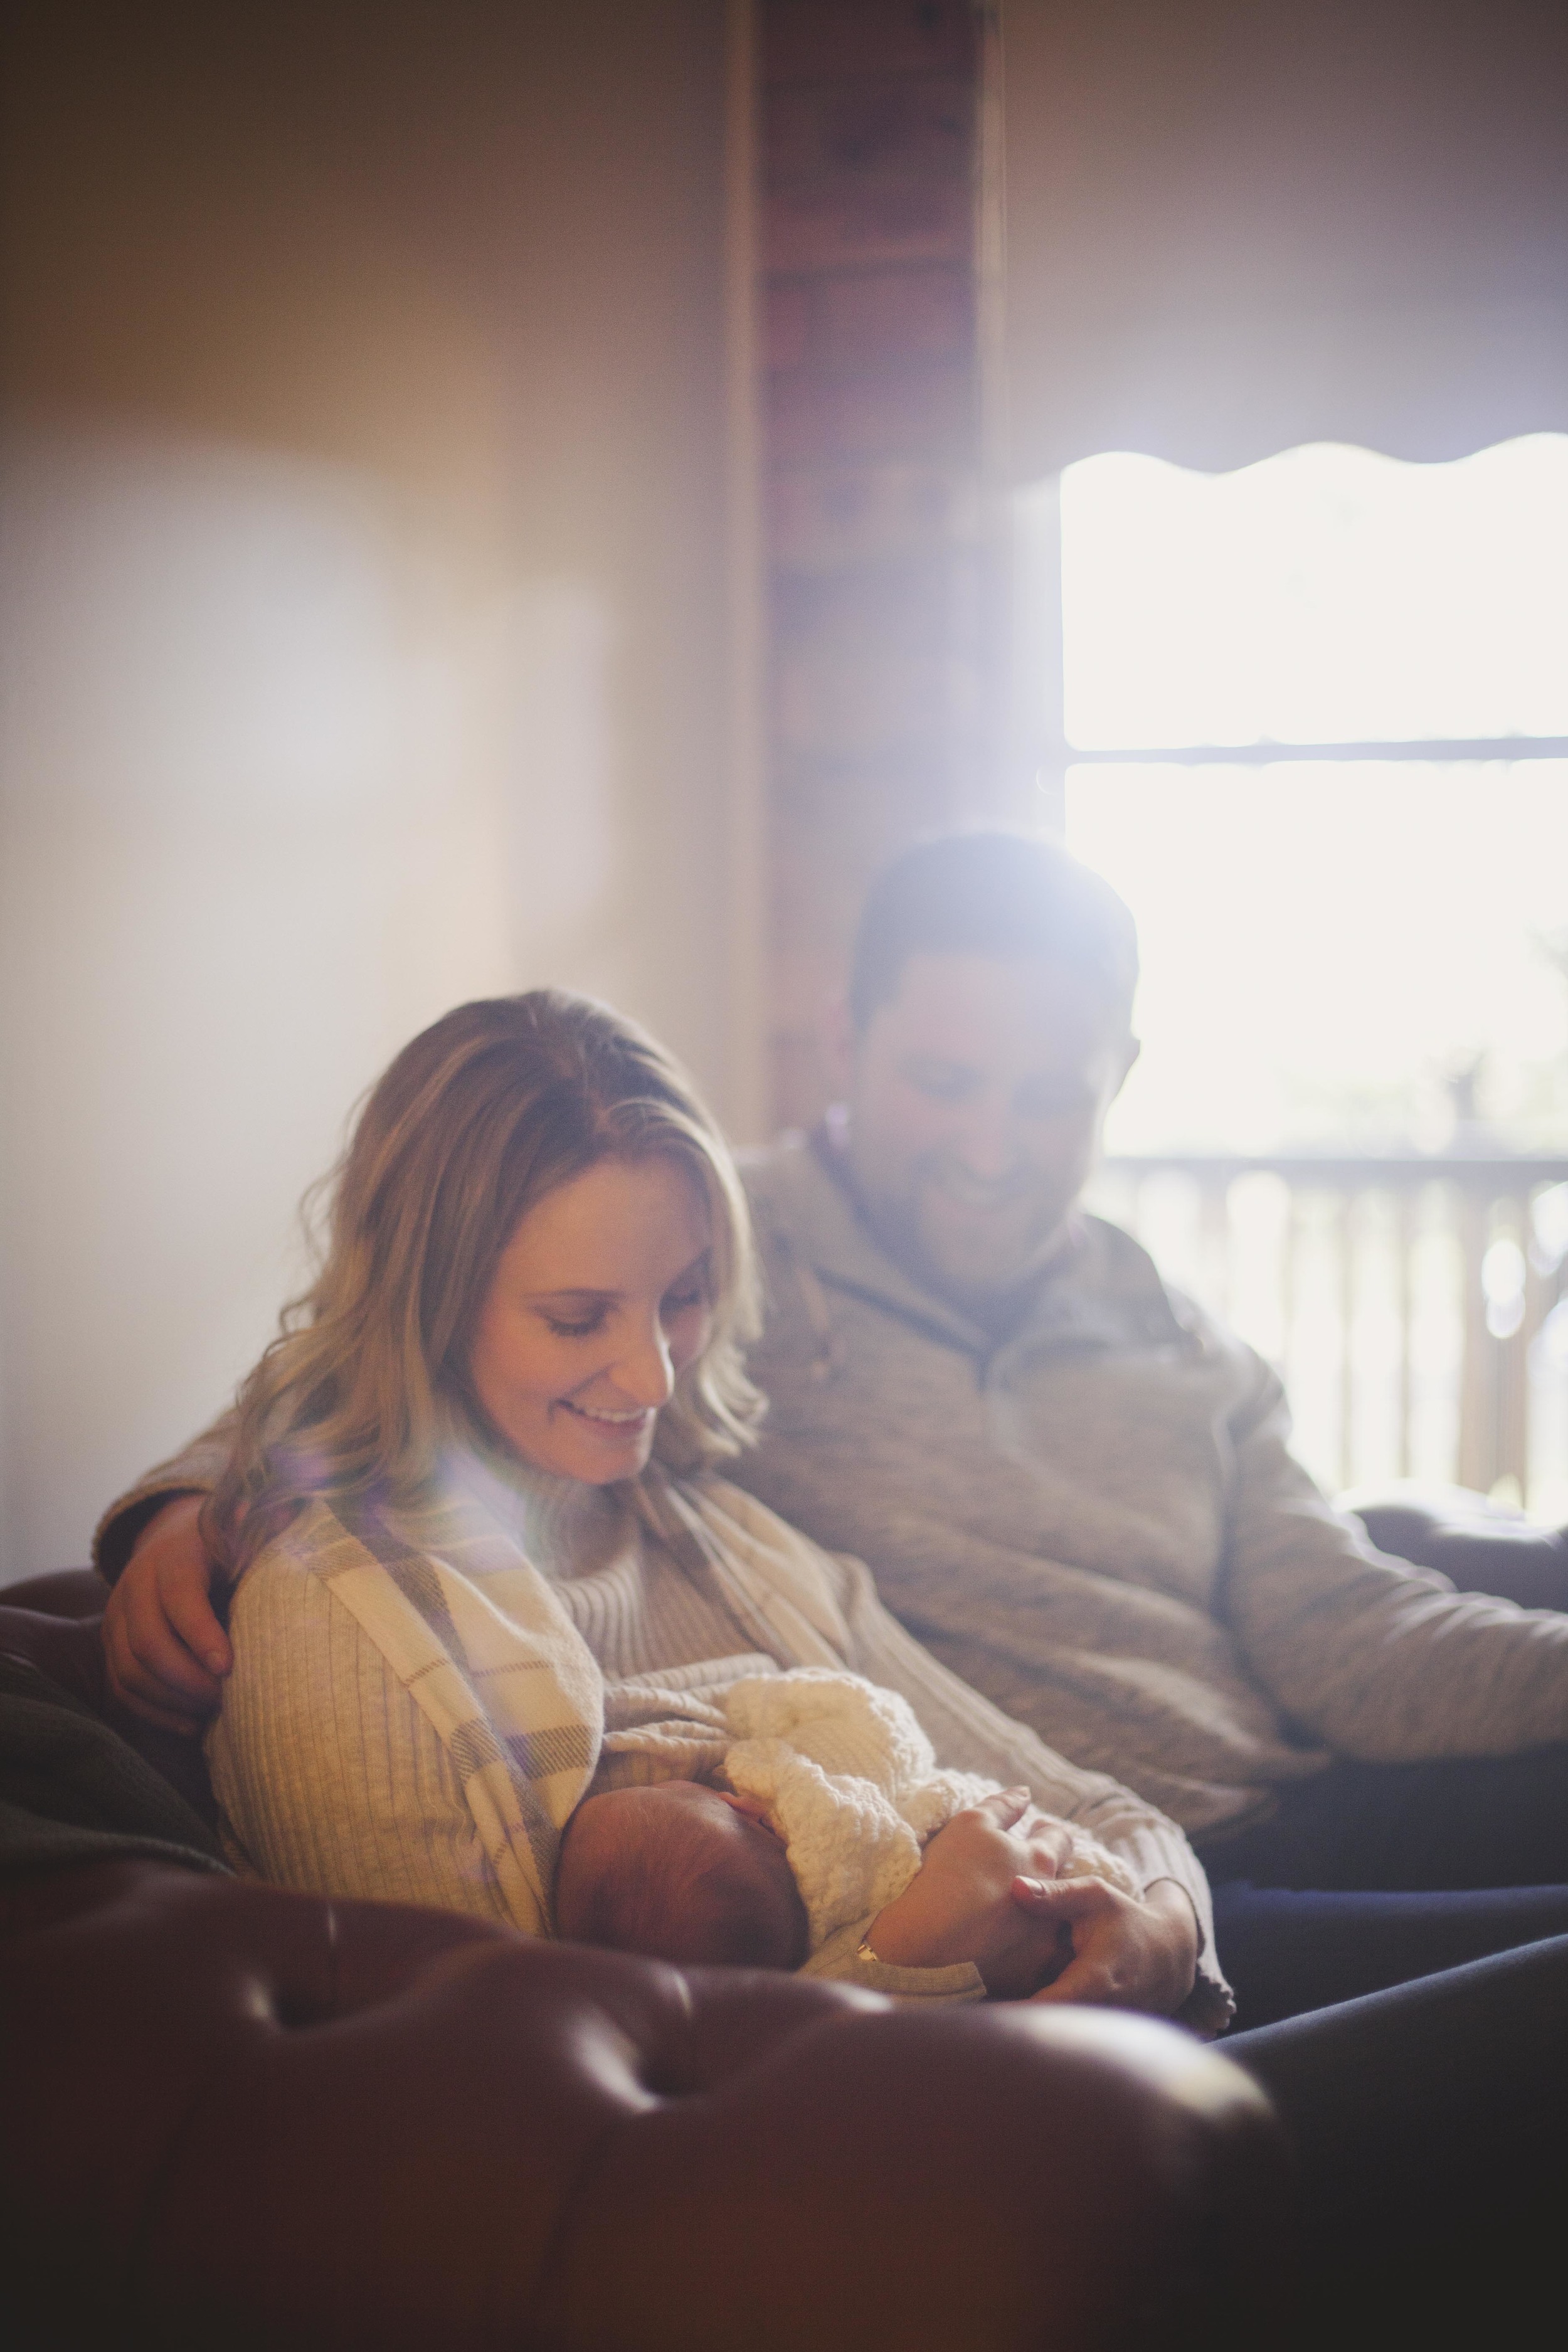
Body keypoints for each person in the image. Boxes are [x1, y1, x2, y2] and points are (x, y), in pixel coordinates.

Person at [96, 988, 1221, 2025]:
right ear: (427, 1305)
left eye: (683, 1299)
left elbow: (1098, 1804)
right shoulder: (353, 1632)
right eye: (579, 1319)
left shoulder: (726, 1537)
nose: (653, 1379)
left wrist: (1167, 1925)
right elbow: (517, 2118)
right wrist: (912, 1959)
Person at [554, 1666, 1137, 1976]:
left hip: (1132, 1918)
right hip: (1086, 1910)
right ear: (741, 1807)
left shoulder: (772, 1552)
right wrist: (899, 1964)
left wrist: (1172, 1920)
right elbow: (881, 1724)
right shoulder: (816, 1794)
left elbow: (1098, 1802)